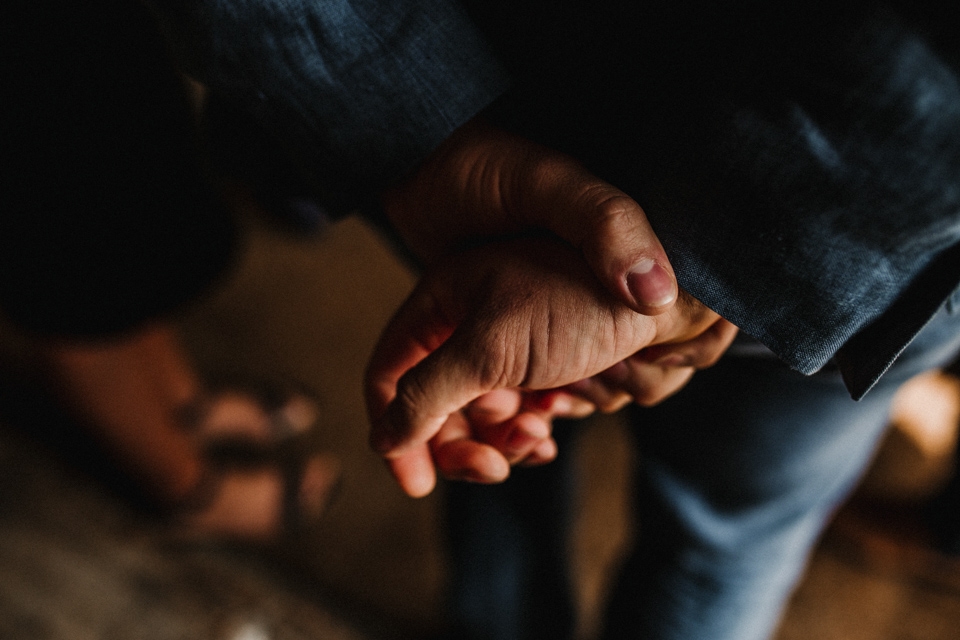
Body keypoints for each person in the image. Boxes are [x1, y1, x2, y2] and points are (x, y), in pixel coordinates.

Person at [365, 2, 960, 639]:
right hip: (862, 246)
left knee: (497, 404)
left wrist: (685, 289)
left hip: (552, 109)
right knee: (718, 536)